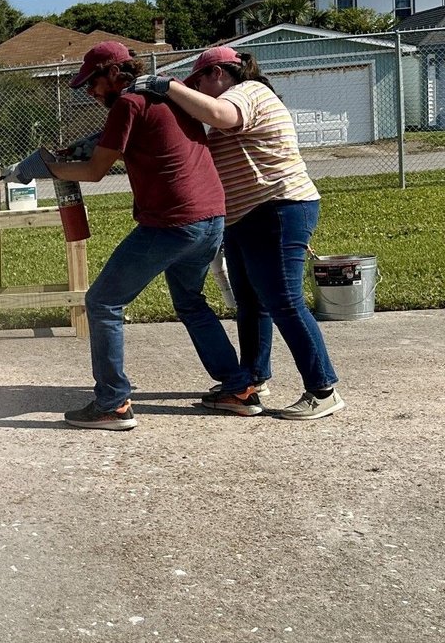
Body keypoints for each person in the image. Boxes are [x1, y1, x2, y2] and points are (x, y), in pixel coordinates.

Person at [16, 41, 258, 430]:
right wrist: (87, 144)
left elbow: (94, 172)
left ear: (114, 72)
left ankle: (112, 403)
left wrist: (46, 168)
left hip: (172, 222)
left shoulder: (127, 103)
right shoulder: (166, 95)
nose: (91, 92)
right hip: (211, 217)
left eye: (93, 83)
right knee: (190, 303)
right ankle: (239, 389)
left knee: (102, 301)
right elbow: (132, 135)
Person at [133, 47, 343, 421]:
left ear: (218, 72)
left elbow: (219, 114)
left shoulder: (249, 91)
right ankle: (253, 379)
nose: (196, 89)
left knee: (284, 301)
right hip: (248, 215)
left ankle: (323, 390)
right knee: (252, 303)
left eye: (198, 81)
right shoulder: (231, 102)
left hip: (278, 207)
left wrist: (168, 87)